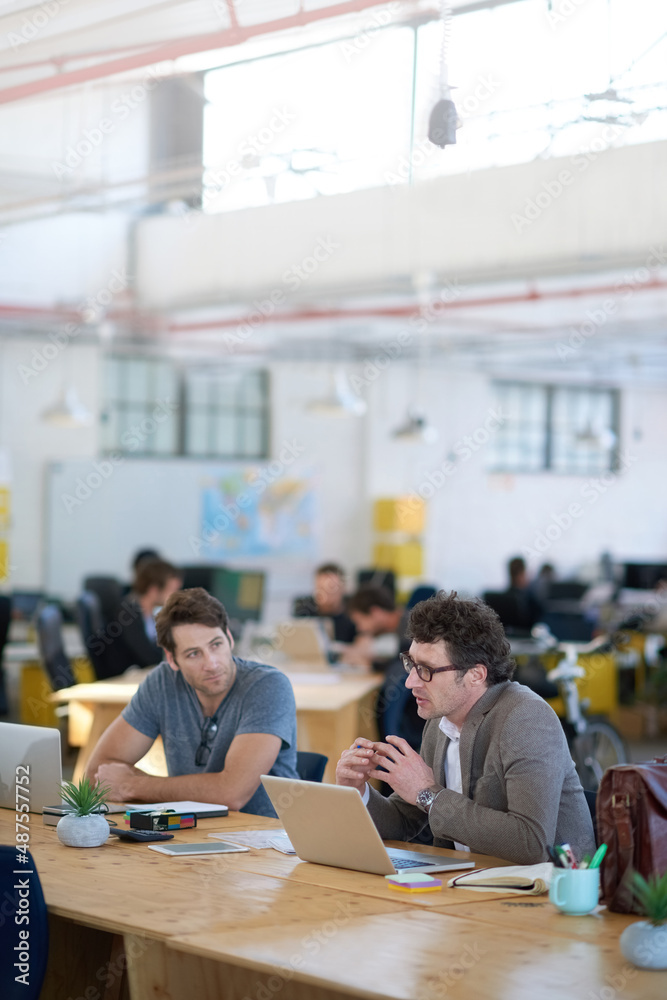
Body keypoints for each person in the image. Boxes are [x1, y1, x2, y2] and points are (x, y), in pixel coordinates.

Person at [335, 590, 595, 865]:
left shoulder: (527, 719)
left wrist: (427, 794)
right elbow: (405, 821)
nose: (410, 682)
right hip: (469, 881)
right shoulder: (440, 721)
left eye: (426, 670)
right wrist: (358, 792)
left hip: (549, 886)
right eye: (411, 664)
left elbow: (531, 843)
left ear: (475, 675)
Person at [86, 587, 299, 815]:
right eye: (193, 654)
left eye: (216, 645)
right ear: (172, 659)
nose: (212, 664)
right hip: (188, 828)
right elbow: (97, 773)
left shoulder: (268, 685)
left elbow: (231, 794)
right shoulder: (162, 683)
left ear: (229, 638)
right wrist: (184, 790)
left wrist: (131, 785)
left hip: (267, 832)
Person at [344, 587, 423, 751]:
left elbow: (408, 662)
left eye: (360, 621)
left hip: (415, 724)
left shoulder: (415, 628)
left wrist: (371, 663)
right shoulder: (401, 625)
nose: (360, 628)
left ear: (376, 612)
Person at [104, 558, 183, 674]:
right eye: (172, 590)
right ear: (153, 590)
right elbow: (149, 658)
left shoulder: (149, 614)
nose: (176, 596)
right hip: (125, 677)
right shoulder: (128, 614)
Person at [292, 563, 357, 644]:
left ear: (343, 588)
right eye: (321, 588)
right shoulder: (304, 608)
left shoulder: (355, 610)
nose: (326, 594)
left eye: (331, 588)